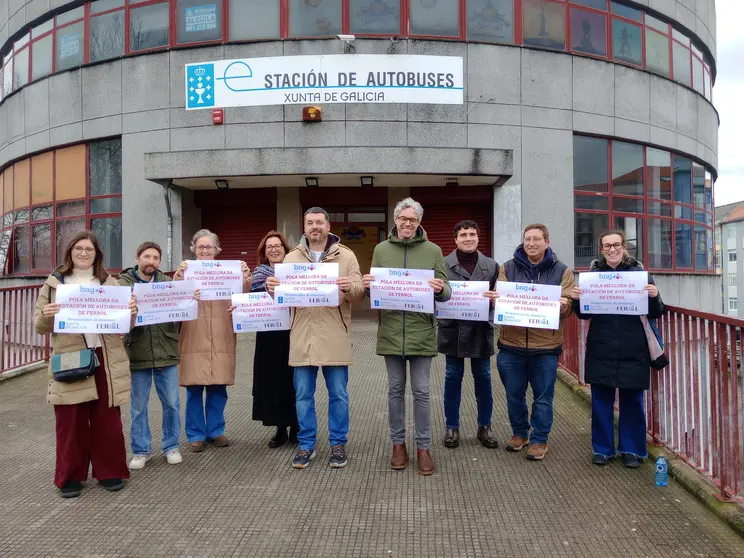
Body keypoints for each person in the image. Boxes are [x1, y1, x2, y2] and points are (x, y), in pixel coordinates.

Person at [33, 231, 137, 498]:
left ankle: (110, 471)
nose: (83, 253)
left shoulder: (110, 283)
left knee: (108, 420)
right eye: (78, 248)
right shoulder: (54, 284)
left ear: (97, 254)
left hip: (106, 357)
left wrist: (132, 315)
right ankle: (70, 477)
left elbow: (124, 326)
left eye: (89, 249)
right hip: (70, 356)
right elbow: (40, 326)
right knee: (71, 420)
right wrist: (47, 315)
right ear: (70, 252)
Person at [266, 207, 364, 470]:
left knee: (339, 395)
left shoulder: (346, 256)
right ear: (305, 227)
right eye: (310, 223)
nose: (315, 227)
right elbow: (282, 299)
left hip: (334, 335)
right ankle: (306, 444)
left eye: (319, 222)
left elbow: (360, 291)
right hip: (302, 337)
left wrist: (349, 287)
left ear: (328, 226)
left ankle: (338, 443)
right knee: (303, 396)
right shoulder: (291, 258)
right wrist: (271, 288)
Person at [363, 198, 451, 475]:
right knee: (395, 391)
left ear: (419, 222)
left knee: (422, 392)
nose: (407, 224)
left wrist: (439, 290)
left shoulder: (434, 251)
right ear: (395, 219)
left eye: (412, 220)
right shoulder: (380, 249)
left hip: (422, 332)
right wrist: (368, 286)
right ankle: (398, 445)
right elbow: (374, 292)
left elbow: (447, 291)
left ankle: (424, 447)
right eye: (403, 219)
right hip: (391, 332)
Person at [571, 230, 664, 468]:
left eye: (616, 245)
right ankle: (602, 450)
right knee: (601, 400)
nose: (612, 249)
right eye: (606, 246)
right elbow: (584, 314)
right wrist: (577, 299)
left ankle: (631, 450)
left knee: (632, 399)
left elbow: (655, 312)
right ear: (601, 250)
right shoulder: (593, 276)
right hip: (602, 344)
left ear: (624, 247)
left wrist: (654, 296)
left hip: (633, 346)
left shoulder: (641, 275)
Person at [492, 224, 575, 462]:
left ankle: (539, 439)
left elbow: (569, 303)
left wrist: (564, 305)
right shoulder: (507, 268)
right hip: (511, 344)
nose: (531, 243)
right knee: (513, 395)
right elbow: (500, 300)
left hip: (545, 347)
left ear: (546, 242)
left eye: (536, 239)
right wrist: (495, 301)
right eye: (527, 239)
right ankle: (520, 433)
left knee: (543, 397)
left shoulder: (562, 270)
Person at [174, 229, 251, 452]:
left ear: (217, 250)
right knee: (194, 387)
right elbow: (174, 300)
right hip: (194, 334)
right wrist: (179, 278)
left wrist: (245, 276)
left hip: (221, 333)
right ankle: (195, 434)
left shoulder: (230, 272)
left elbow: (244, 296)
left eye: (209, 247)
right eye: (201, 247)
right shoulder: (185, 271)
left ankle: (216, 430)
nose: (205, 250)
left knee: (218, 386)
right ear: (194, 250)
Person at [119, 241, 194, 469]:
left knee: (171, 403)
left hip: (166, 351)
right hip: (138, 351)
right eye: (147, 257)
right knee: (138, 406)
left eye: (155, 258)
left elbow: (181, 309)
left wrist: (191, 299)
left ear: (159, 262)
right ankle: (141, 451)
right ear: (137, 258)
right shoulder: (123, 284)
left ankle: (171, 446)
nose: (151, 261)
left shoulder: (167, 283)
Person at [438, 220, 500, 449]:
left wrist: (495, 302)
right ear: (455, 240)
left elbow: (498, 299)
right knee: (452, 378)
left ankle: (485, 427)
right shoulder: (443, 264)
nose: (468, 238)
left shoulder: (492, 266)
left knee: (483, 379)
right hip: (452, 329)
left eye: (472, 234)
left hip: (480, 331)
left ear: (478, 237)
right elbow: (435, 294)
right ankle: (451, 427)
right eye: (463, 234)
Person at [250, 231, 299, 448]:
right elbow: (250, 299)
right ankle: (280, 428)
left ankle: (297, 426)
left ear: (285, 249)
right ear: (264, 252)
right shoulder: (259, 273)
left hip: (293, 332)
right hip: (268, 336)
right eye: (269, 246)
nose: (274, 249)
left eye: (278, 245)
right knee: (272, 382)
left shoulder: (295, 272)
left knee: (294, 381)